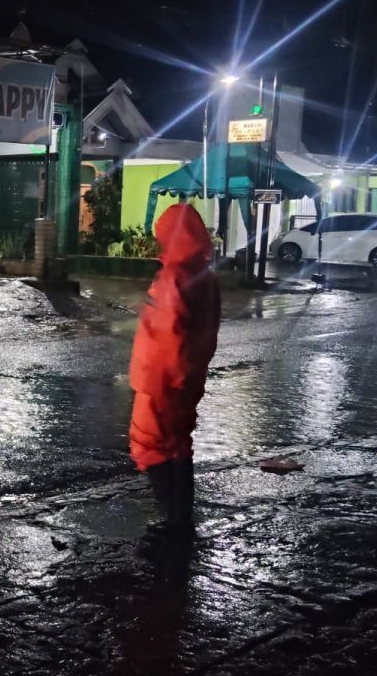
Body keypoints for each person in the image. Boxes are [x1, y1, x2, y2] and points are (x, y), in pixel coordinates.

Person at [128, 203, 221, 534]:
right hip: (187, 379)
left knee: (150, 445)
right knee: (178, 443)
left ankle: (173, 518)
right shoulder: (204, 277)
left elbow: (167, 337)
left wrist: (163, 382)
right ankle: (180, 516)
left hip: (160, 382)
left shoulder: (172, 279)